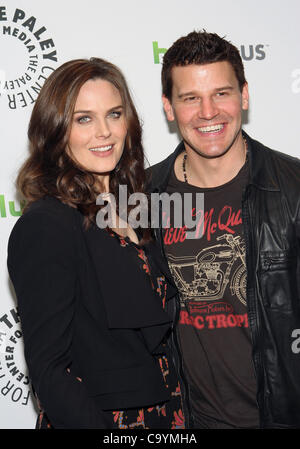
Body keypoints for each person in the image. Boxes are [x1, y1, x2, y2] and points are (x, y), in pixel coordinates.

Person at [7, 58, 186, 429]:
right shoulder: (47, 225)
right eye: (83, 118)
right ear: (56, 130)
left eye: (114, 114)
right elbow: (50, 370)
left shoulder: (137, 209)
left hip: (166, 416)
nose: (104, 132)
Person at [148, 31, 300, 429]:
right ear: (168, 107)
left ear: (244, 96)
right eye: (190, 98)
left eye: (221, 93)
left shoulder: (294, 188)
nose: (208, 111)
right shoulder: (143, 198)